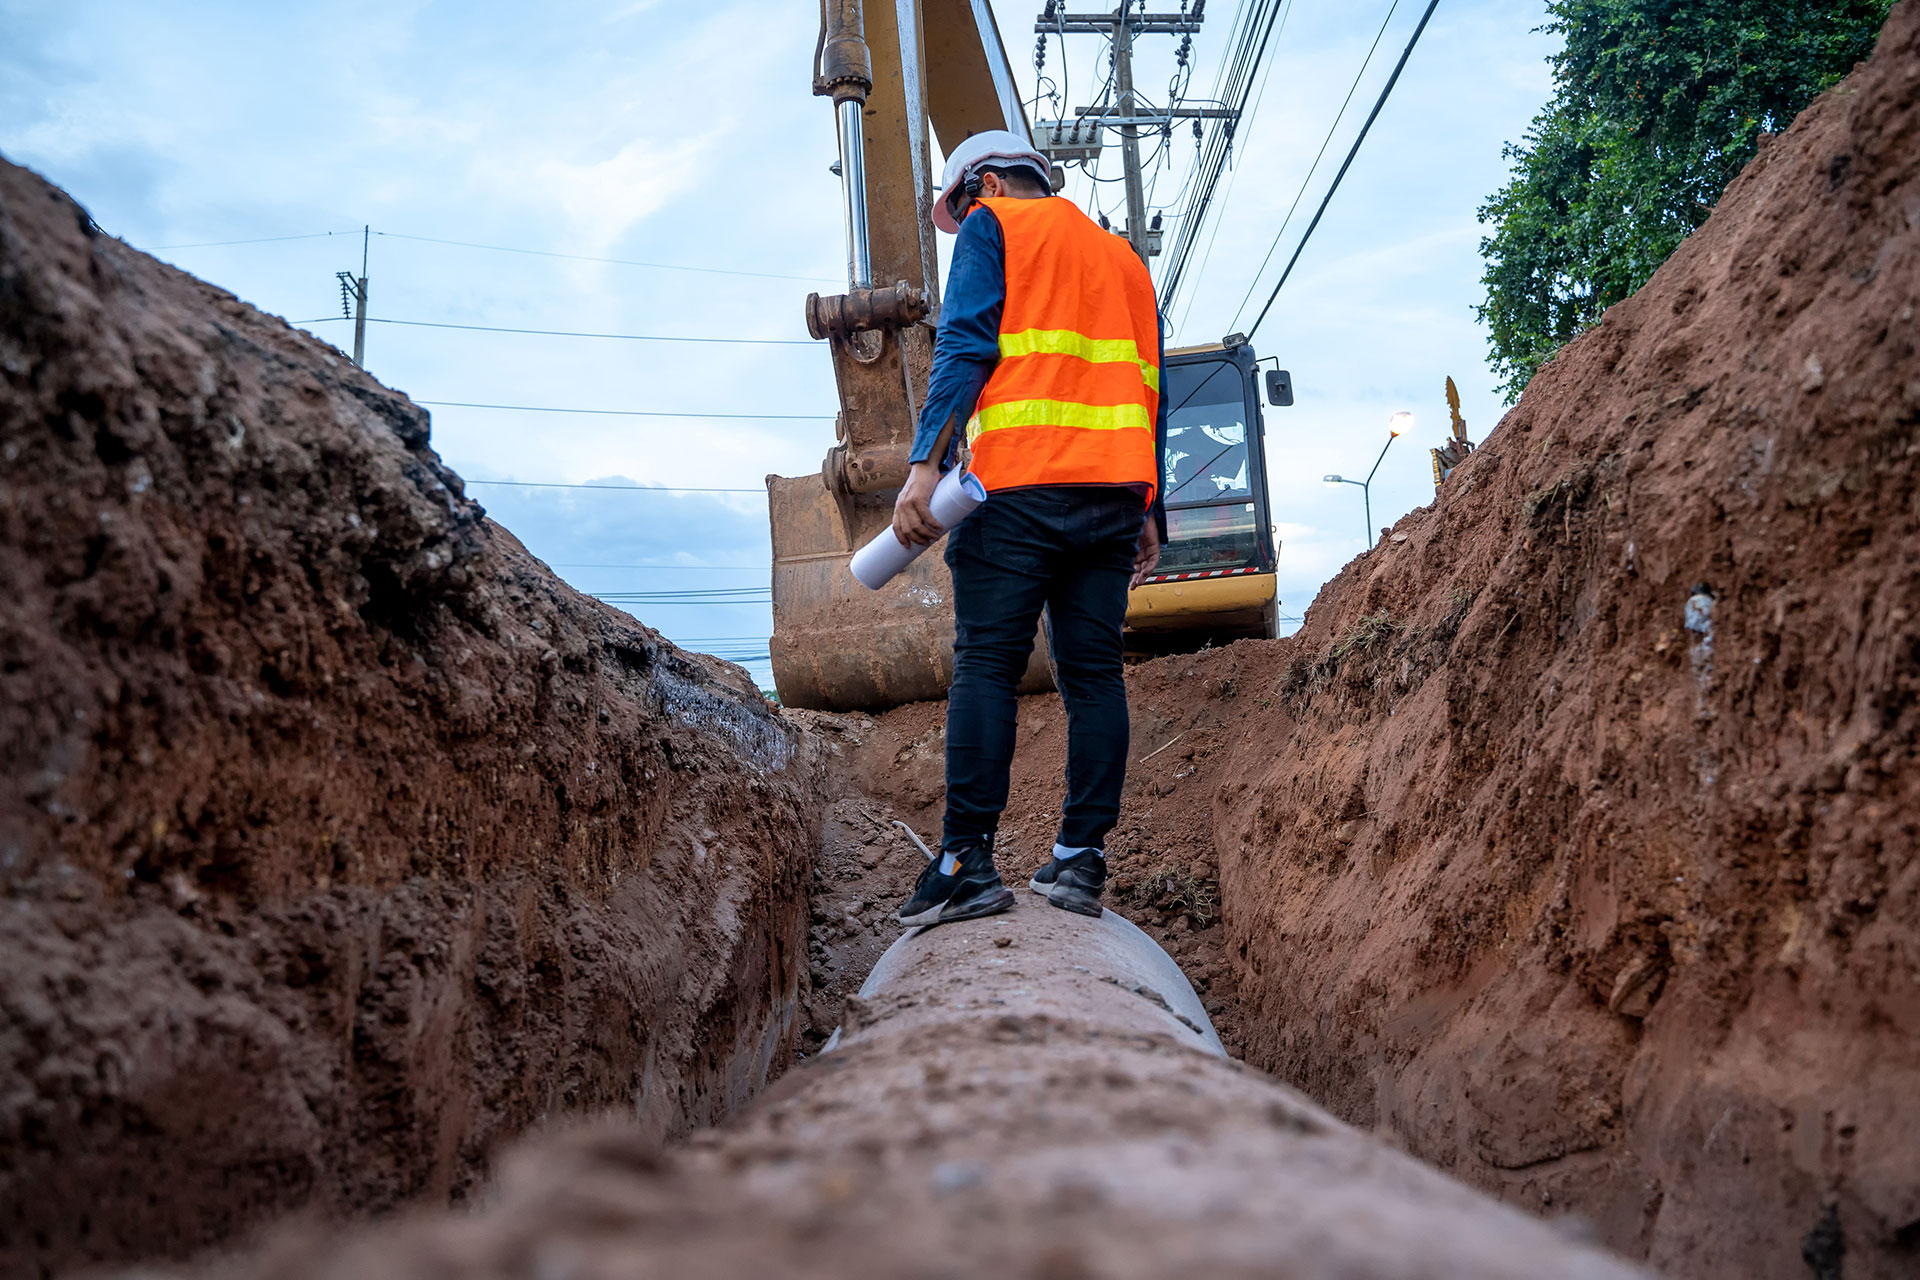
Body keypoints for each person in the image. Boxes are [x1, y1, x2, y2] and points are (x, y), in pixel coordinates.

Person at [892, 130, 1167, 927]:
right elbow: (1149, 384)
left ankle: (963, 863)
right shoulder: (1123, 258)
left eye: (966, 202)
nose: (966, 215)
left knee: (986, 665)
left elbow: (966, 347)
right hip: (1112, 496)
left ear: (985, 185)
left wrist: (925, 464)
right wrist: (1150, 509)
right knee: (1094, 675)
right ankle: (1080, 861)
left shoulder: (994, 227)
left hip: (1016, 489)